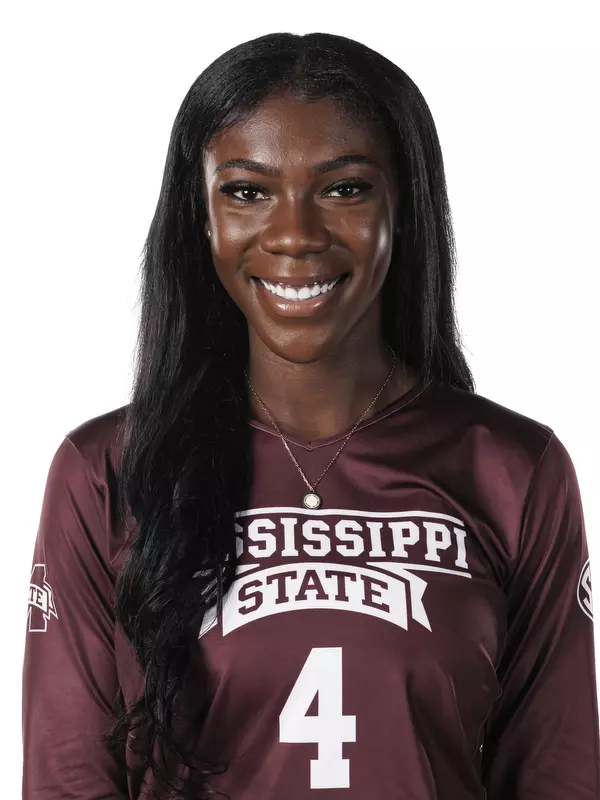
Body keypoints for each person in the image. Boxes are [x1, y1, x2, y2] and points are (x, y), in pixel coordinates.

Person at [21, 31, 599, 800]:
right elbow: (66, 779)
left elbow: (557, 775)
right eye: (247, 191)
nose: (294, 235)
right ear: (200, 216)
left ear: (405, 204)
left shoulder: (512, 469)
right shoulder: (109, 471)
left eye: (345, 188)